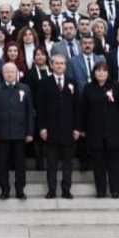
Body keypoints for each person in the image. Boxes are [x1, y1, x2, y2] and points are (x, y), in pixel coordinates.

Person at [79, 61, 119, 198]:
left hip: (114, 130)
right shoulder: (88, 88)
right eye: (98, 70)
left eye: (104, 70)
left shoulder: (115, 86)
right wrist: (82, 128)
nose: (101, 73)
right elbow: (83, 110)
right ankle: (100, 190)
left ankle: (115, 189)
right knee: (98, 163)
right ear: (94, 73)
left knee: (114, 162)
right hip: (95, 131)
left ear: (108, 73)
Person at [0, 63, 34, 200]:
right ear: (2, 74)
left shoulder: (25, 88)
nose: (9, 74)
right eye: (6, 71)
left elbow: (29, 112)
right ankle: (5, 190)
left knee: (20, 164)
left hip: (20, 134)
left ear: (17, 73)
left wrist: (30, 132)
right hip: (2, 135)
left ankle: (20, 189)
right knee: (2, 164)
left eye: (12, 71)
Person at [37, 54, 79, 198]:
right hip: (51, 129)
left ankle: (66, 189)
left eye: (62, 63)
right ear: (51, 65)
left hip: (68, 130)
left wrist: (77, 128)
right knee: (52, 164)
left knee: (68, 164)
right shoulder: (44, 82)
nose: (59, 66)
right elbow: (40, 107)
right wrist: (42, 128)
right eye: (57, 63)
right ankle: (52, 190)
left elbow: (77, 108)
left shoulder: (72, 82)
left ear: (65, 66)